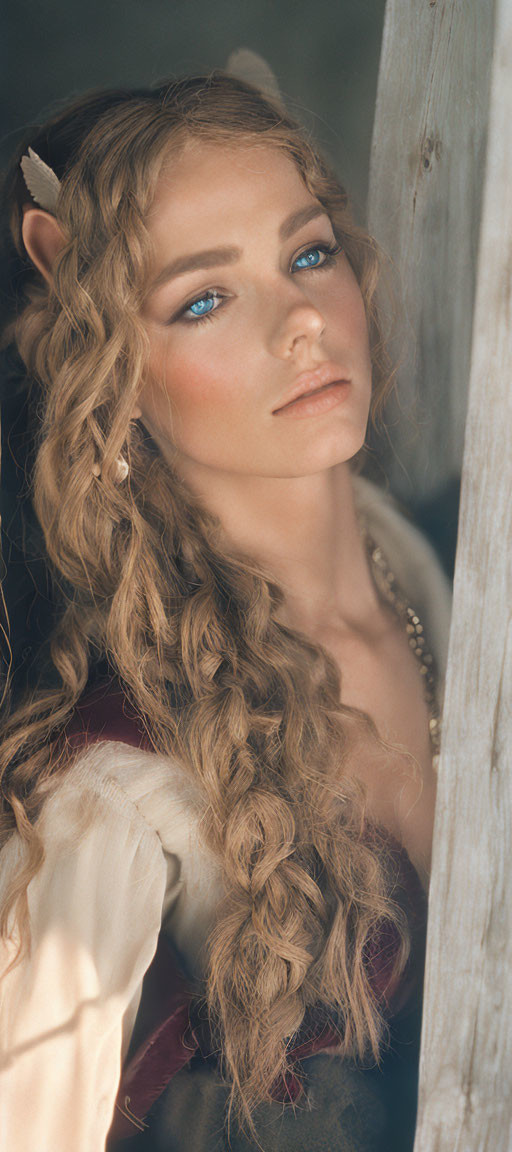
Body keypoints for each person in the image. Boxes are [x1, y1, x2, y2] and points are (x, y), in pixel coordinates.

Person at [0, 69, 452, 1152]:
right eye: (202, 299)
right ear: (112, 384)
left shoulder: (441, 566)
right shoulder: (118, 796)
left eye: (307, 253)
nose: (301, 319)